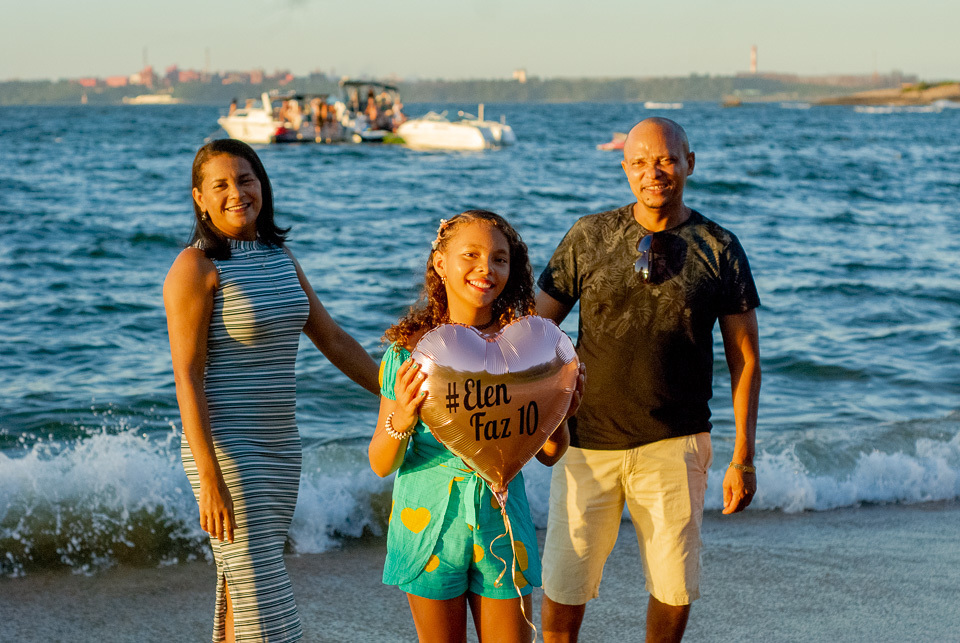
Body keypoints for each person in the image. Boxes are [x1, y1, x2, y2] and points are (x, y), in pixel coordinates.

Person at [536, 118, 761, 643]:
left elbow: (745, 359)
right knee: (564, 584)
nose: (653, 172)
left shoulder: (719, 247)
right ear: (625, 168)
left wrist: (743, 457)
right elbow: (533, 330)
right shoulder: (589, 236)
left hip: (676, 443)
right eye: (640, 162)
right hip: (586, 444)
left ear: (689, 163)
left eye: (665, 160)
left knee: (674, 586)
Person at [164, 138, 380, 642]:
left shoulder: (278, 256)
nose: (237, 193)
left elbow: (332, 338)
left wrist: (394, 392)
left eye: (246, 179)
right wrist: (210, 477)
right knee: (263, 595)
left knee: (244, 588)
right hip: (228, 453)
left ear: (262, 185)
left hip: (281, 450)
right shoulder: (195, 268)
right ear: (199, 198)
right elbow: (187, 378)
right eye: (220, 185)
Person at [369, 210, 582, 643]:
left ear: (512, 269)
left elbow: (550, 454)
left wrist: (562, 415)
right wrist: (404, 418)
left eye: (500, 258)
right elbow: (380, 462)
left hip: (502, 526)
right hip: (428, 527)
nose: (486, 268)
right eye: (471, 254)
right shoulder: (409, 355)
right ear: (441, 264)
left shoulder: (528, 353)